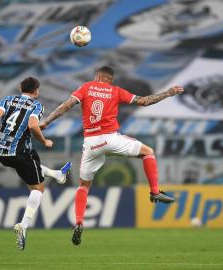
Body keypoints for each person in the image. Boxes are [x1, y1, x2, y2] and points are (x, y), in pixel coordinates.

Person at [40, 66, 184, 245]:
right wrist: (168, 92)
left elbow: (66, 105)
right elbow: (145, 101)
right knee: (148, 152)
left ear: (97, 76)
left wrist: (46, 121)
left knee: (83, 185)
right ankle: (155, 192)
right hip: (111, 139)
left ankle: (78, 222)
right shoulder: (116, 91)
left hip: (91, 143)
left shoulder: (86, 87)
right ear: (110, 79)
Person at [0, 77, 72, 251]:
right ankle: (23, 225)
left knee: (31, 162)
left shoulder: (7, 99)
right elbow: (32, 126)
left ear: (20, 88)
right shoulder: (37, 106)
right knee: (38, 189)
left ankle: (57, 175)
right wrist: (44, 141)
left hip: (0, 151)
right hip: (18, 152)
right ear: (36, 91)